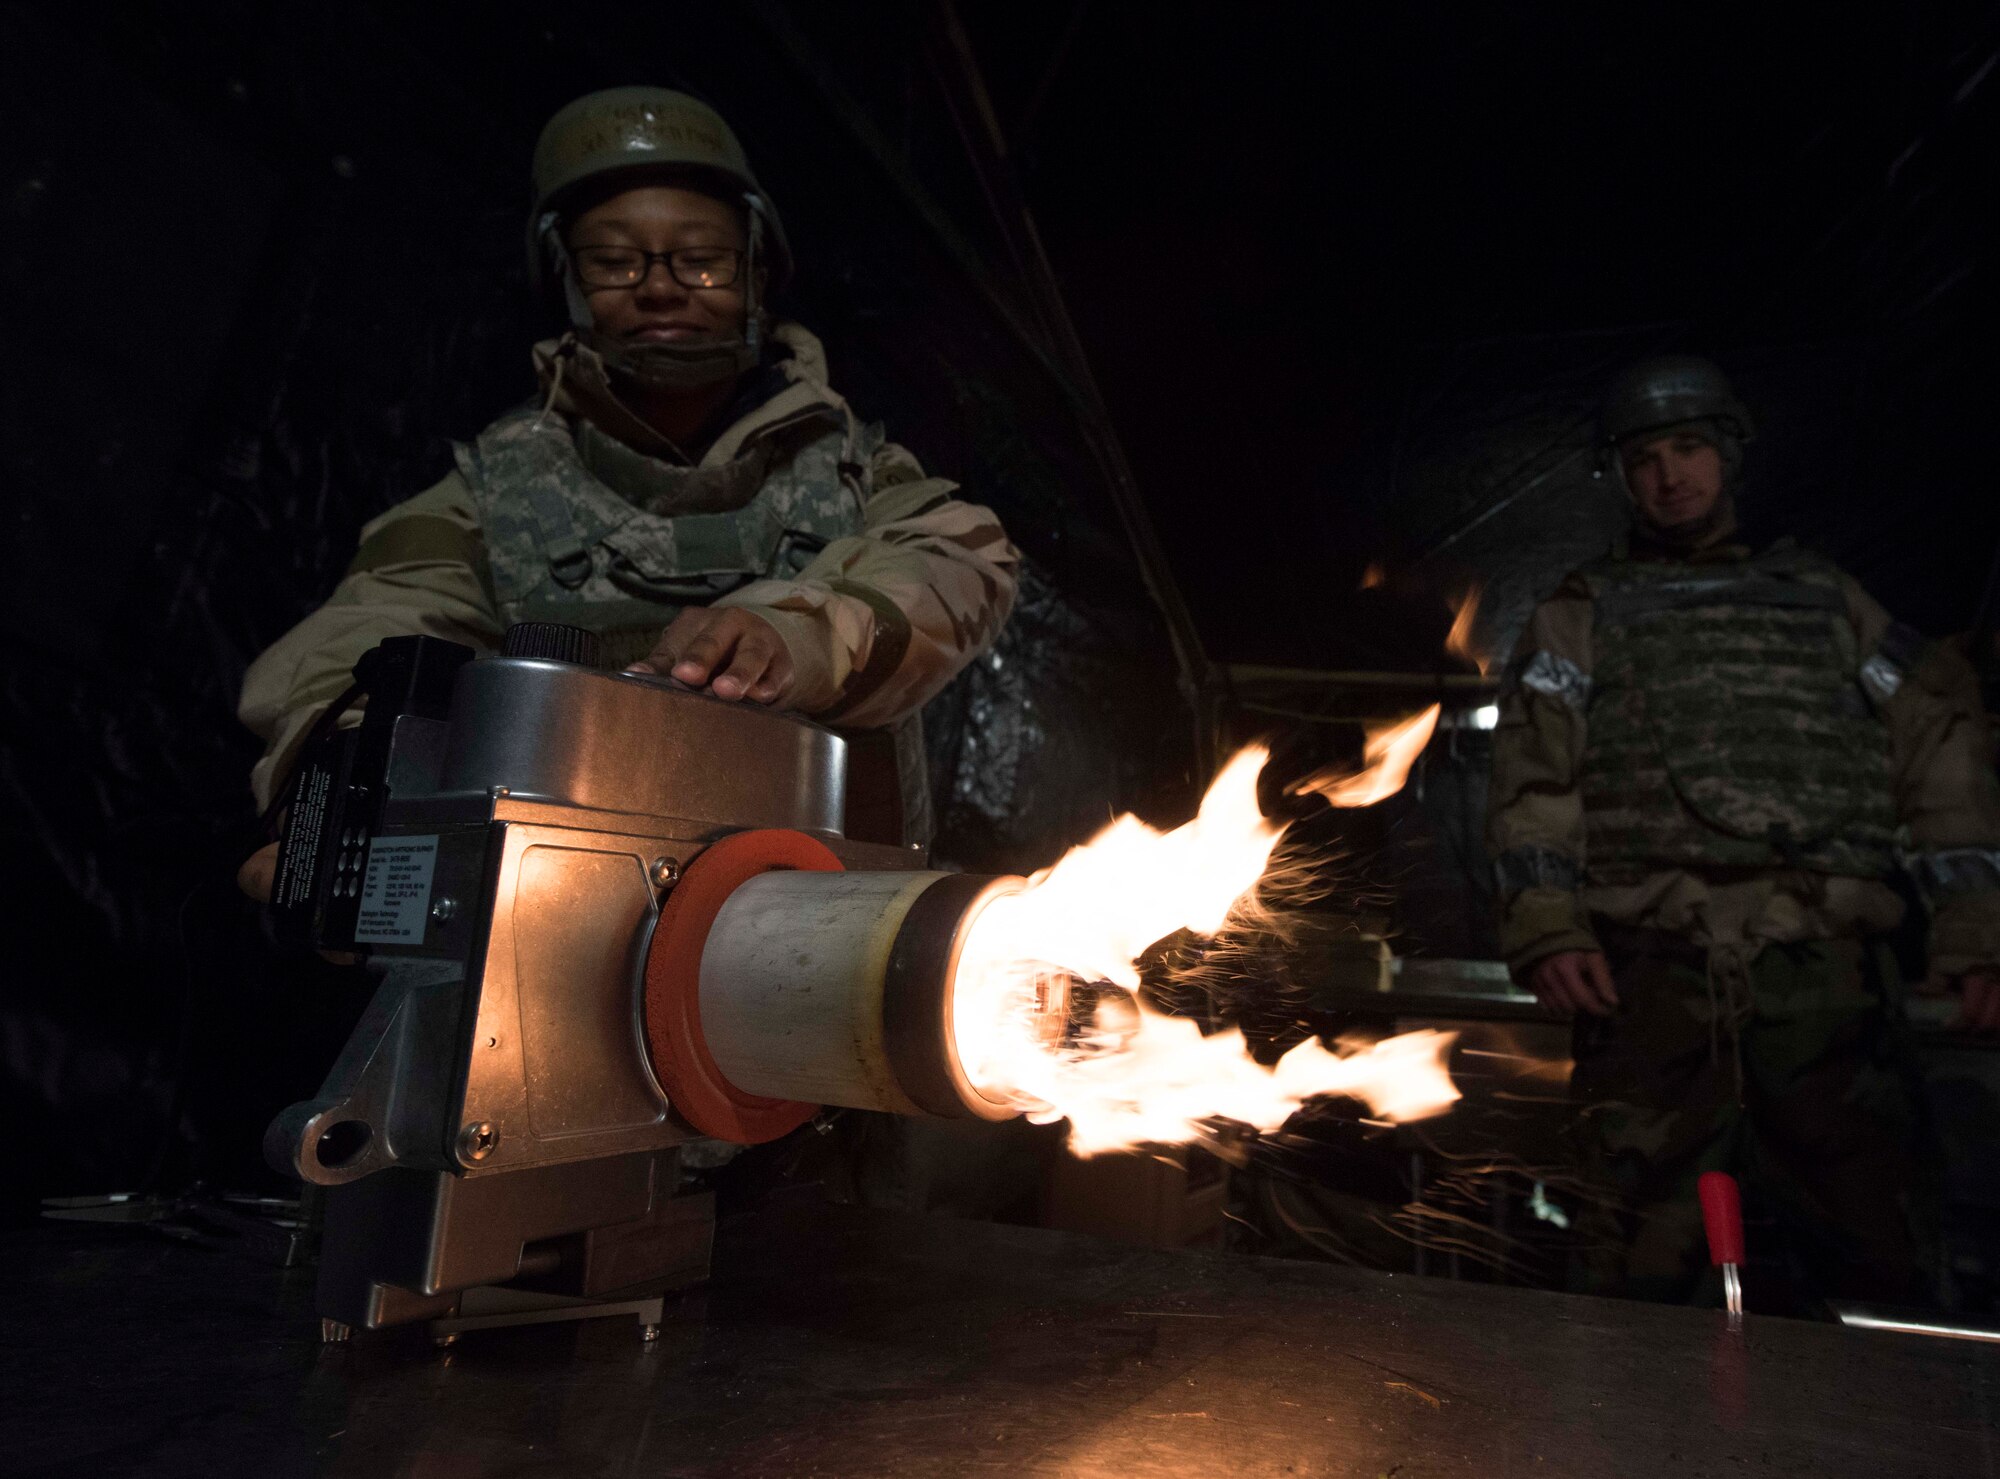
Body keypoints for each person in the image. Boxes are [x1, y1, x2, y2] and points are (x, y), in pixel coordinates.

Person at [237, 86, 1018, 890]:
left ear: (755, 275)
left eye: (701, 259)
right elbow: (357, 653)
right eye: (615, 261)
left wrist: (800, 634)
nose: (659, 287)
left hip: (837, 927)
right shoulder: (492, 492)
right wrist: (339, 812)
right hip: (572, 927)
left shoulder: (853, 465)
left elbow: (964, 557)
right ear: (567, 282)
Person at [1486, 354, 2000, 1307]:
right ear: (1621, 475)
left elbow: (1943, 740)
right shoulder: (1580, 614)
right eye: (1645, 457)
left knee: (1880, 1266)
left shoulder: (1827, 603)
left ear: (1728, 453)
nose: (1669, 476)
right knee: (1633, 1270)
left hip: (1826, 984)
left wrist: (1976, 930)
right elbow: (1533, 778)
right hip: (1651, 981)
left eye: (1688, 448)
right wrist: (1548, 926)